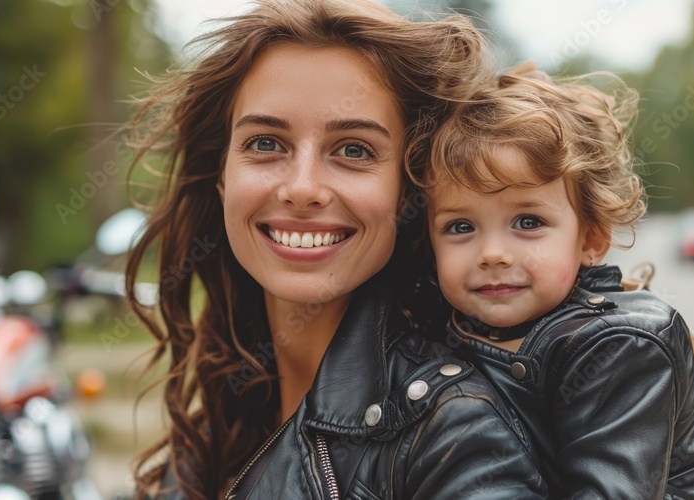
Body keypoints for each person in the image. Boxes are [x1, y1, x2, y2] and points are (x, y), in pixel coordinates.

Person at [120, 1, 547, 498]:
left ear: (408, 194)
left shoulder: (456, 434)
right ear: (222, 178)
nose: (302, 188)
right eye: (265, 143)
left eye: (353, 149)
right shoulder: (215, 427)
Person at [417, 65, 694, 498]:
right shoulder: (450, 324)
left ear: (590, 239)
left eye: (528, 221)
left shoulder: (621, 348)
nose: (492, 253)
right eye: (461, 227)